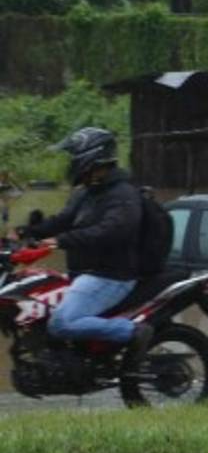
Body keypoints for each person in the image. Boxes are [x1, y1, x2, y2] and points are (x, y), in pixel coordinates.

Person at [14, 128, 153, 354]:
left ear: (91, 156)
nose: (71, 162)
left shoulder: (124, 194)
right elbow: (62, 220)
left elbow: (110, 231)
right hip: (83, 273)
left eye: (73, 156)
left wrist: (60, 241)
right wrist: (25, 232)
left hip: (111, 276)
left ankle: (131, 331)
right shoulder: (87, 192)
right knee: (40, 302)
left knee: (61, 323)